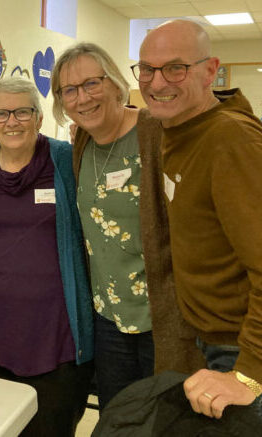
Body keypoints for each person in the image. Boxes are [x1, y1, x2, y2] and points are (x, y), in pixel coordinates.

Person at [50, 42, 206, 409]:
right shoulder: (82, 142)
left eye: (91, 83)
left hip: (165, 317)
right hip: (108, 317)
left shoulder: (158, 132)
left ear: (115, 83)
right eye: (69, 90)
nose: (82, 98)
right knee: (118, 417)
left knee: (165, 420)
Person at [137, 19, 262, 419]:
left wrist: (249, 372)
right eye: (146, 69)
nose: (157, 83)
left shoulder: (230, 139)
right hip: (211, 340)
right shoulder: (178, 128)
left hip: (241, 350)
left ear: (211, 70)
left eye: (175, 68)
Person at [0, 77, 93, 436]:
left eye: (22, 112)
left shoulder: (66, 160)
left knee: (52, 426)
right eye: (0, 113)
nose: (11, 121)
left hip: (55, 331)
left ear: (39, 117)